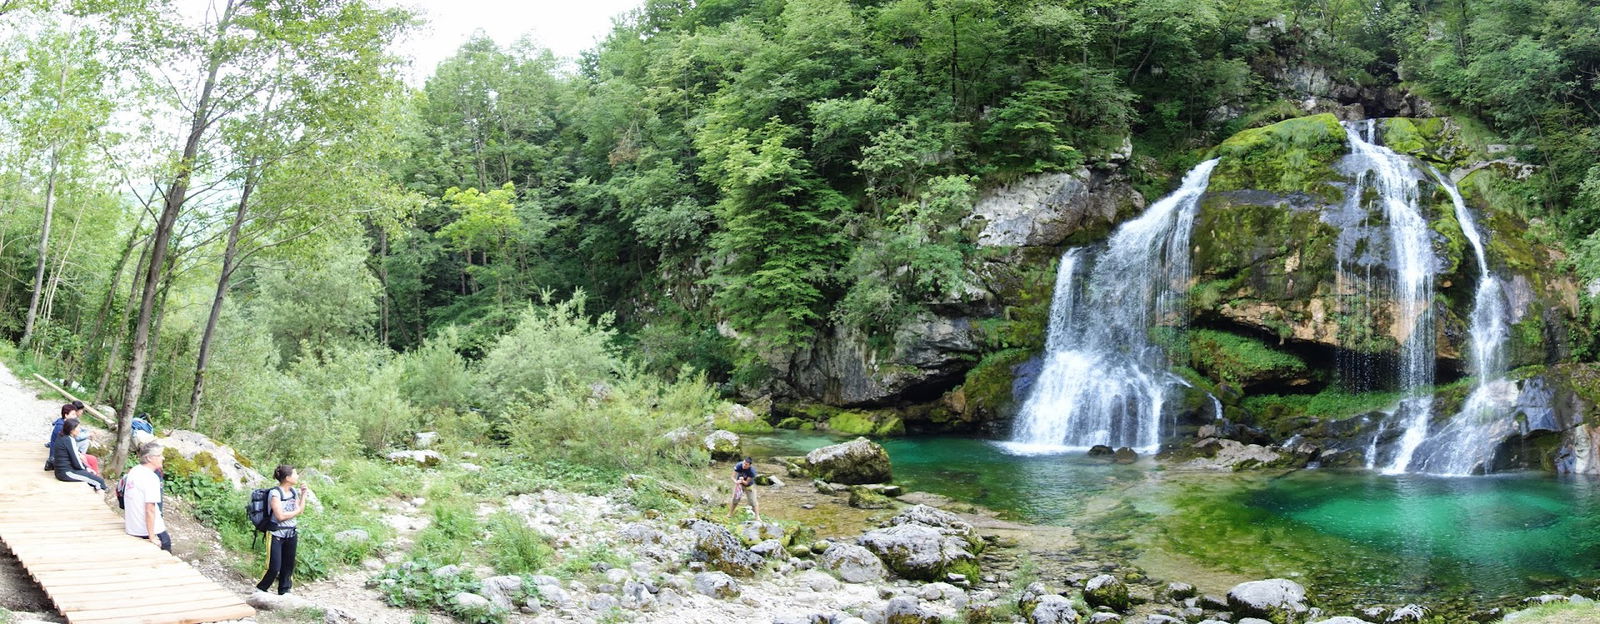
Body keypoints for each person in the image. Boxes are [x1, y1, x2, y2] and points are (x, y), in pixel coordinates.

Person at [257, 464, 309, 596]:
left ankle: (284, 591)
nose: (297, 476)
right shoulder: (275, 493)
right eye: (295, 474)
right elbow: (279, 516)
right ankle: (261, 589)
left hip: (291, 533)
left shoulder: (293, 491)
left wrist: (304, 494)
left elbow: (300, 510)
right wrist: (296, 512)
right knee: (274, 567)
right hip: (276, 533)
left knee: (288, 565)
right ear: (287, 478)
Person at [124, 443, 171, 551]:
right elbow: (150, 509)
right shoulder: (151, 478)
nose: (163, 458)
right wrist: (152, 537)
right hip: (146, 531)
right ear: (149, 458)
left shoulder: (134, 471)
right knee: (166, 545)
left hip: (132, 528)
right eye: (159, 455)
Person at [50, 419, 105, 492]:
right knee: (99, 482)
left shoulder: (62, 436)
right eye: (78, 428)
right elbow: (76, 461)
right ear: (72, 430)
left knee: (93, 477)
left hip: (62, 471)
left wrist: (86, 468)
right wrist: (86, 469)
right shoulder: (69, 440)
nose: (79, 430)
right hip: (66, 473)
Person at [42, 401, 85, 471]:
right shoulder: (61, 427)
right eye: (73, 414)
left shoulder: (64, 423)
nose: (75, 416)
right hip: (57, 457)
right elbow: (66, 444)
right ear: (66, 415)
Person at [728, 456, 760, 521]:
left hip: (749, 486)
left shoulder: (752, 472)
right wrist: (736, 481)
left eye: (746, 464)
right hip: (739, 484)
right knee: (735, 499)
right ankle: (730, 514)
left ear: (749, 465)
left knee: (753, 502)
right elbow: (732, 476)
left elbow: (746, 483)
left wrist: (742, 481)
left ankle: (757, 517)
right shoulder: (739, 465)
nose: (744, 465)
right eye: (743, 463)